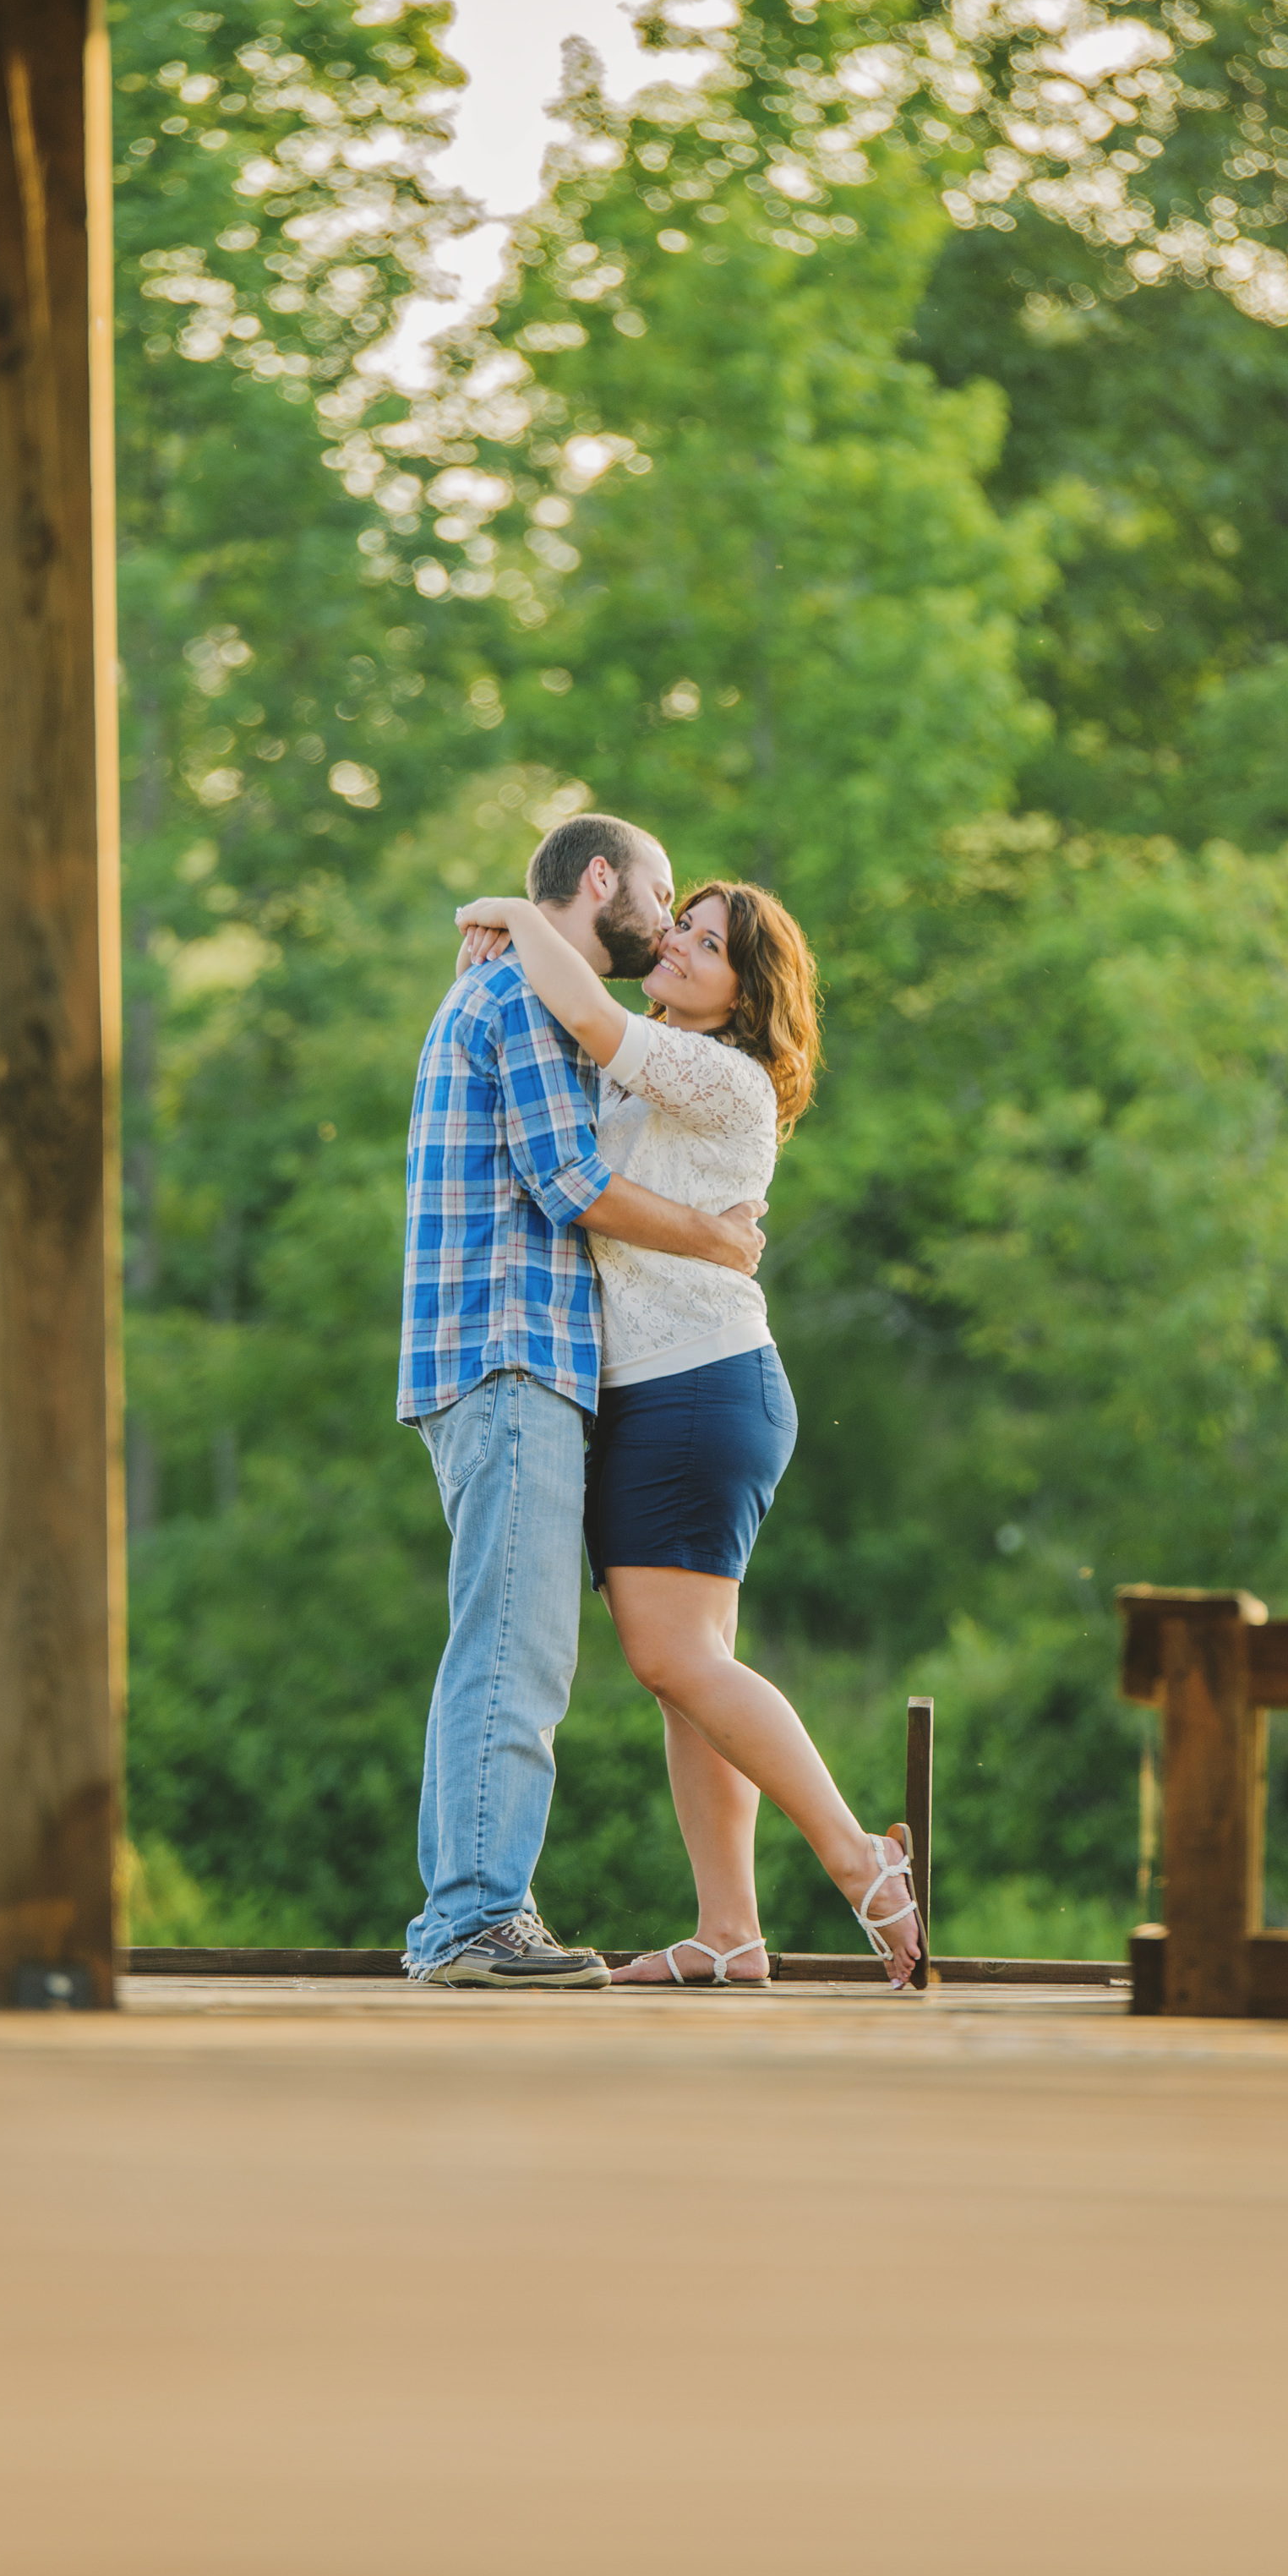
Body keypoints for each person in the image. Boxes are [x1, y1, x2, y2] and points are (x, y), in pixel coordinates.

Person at [451, 876, 924, 1989]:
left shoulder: (723, 1075)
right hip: (671, 1390)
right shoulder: (668, 1065)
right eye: (683, 926)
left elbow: (588, 1017)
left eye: (708, 944)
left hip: (698, 1386)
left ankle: (865, 1864)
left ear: (744, 994)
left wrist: (520, 915)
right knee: (689, 1672)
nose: (677, 944)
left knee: (675, 1657)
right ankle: (730, 1933)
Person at [399, 811, 768, 1986]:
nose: (661, 925)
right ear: (601, 878)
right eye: (659, 898)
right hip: (512, 1354)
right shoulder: (519, 999)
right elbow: (574, 1184)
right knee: (515, 1646)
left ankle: (476, 1904)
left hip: (510, 1357)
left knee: (511, 1641)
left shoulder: (525, 991)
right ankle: (473, 1916)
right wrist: (715, 1238)